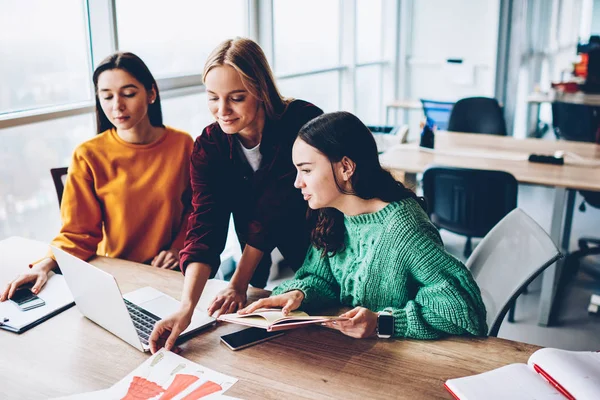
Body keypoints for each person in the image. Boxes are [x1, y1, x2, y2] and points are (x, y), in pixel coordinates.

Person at [239, 111, 488, 339]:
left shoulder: (404, 229)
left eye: (306, 170)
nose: (297, 183)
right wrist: (300, 293)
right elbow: (321, 278)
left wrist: (383, 322)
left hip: (397, 366)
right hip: (355, 356)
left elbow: (463, 311)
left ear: (346, 167)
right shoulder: (334, 212)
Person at [149, 38, 322, 353]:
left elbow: (273, 209)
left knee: (323, 303)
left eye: (236, 98)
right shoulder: (209, 147)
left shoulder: (302, 122)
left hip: (320, 233)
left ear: (261, 90)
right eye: (213, 98)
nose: (222, 111)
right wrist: (187, 307)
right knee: (273, 315)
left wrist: (238, 282)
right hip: (252, 240)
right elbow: (204, 226)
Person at [0, 52, 193, 302]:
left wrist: (179, 248)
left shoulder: (183, 145)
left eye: (129, 93)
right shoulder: (88, 155)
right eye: (107, 95)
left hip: (168, 273)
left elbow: (196, 210)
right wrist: (43, 265)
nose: (117, 106)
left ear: (151, 93)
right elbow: (78, 232)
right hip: (114, 276)